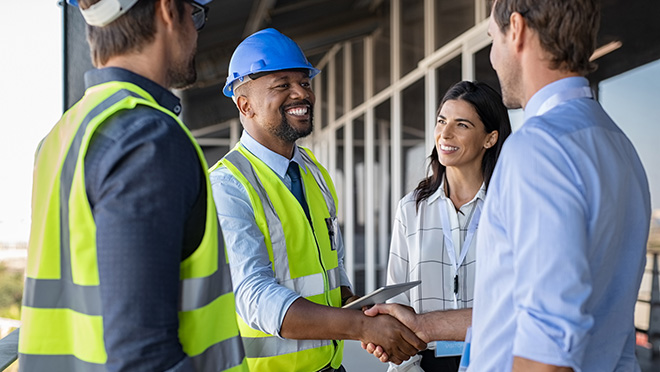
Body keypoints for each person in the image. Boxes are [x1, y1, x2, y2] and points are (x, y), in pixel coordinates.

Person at [18, 1, 248, 371]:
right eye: (196, 13)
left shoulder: (62, 135)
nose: (195, 30)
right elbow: (144, 358)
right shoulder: (147, 139)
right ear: (168, 10)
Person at [209, 28, 426, 372]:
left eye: (305, 82)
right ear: (245, 104)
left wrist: (364, 309)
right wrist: (363, 328)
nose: (301, 94)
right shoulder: (227, 186)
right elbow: (255, 297)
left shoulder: (313, 173)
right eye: (282, 85)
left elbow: (331, 272)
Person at [385, 81, 511, 372]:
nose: (445, 133)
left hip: (495, 362)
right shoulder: (411, 209)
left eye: (462, 125)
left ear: (490, 138)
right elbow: (397, 300)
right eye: (442, 121)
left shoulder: (509, 208)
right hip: (426, 364)